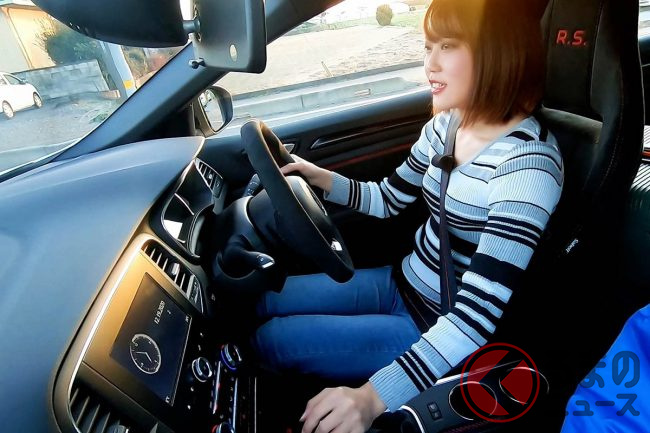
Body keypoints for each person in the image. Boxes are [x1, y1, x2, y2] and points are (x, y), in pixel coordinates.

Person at [250, 0, 564, 432]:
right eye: (428, 46)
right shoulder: (445, 126)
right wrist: (318, 177)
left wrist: (370, 397)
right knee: (265, 298)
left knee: (272, 341)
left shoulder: (528, 166)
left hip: (436, 325)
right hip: (399, 282)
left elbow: (475, 317)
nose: (430, 64)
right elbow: (388, 198)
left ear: (496, 52)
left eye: (448, 46)